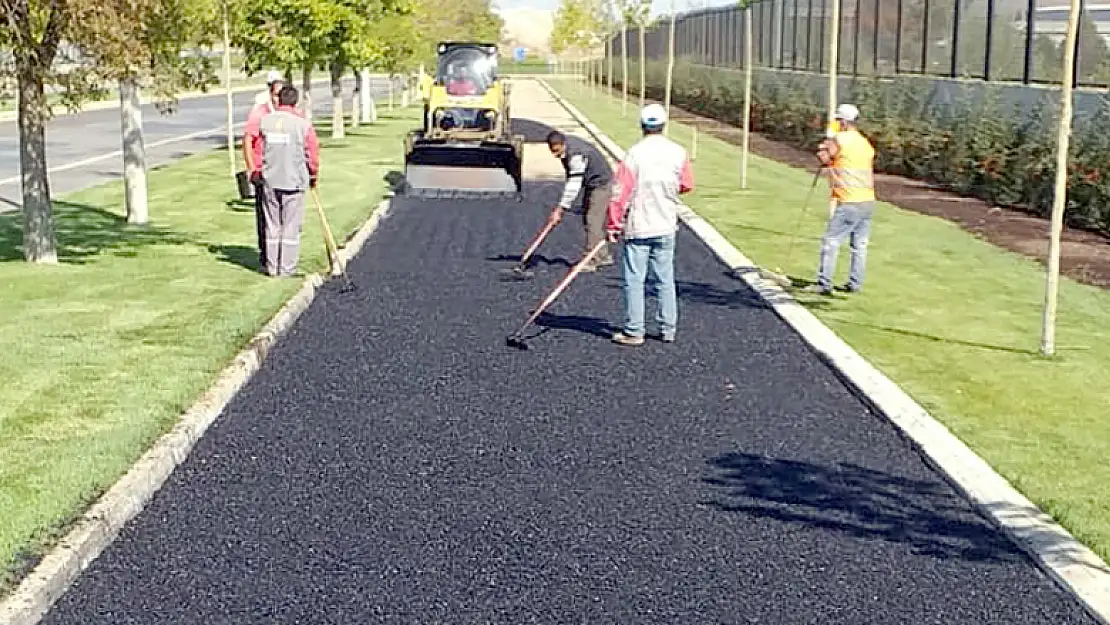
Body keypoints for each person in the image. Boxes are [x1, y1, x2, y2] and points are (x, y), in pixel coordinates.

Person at [605, 103, 694, 346]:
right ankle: (668, 329)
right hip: (666, 225)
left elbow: (620, 193)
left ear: (642, 125)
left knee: (635, 279)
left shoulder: (634, 154)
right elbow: (687, 184)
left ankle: (634, 330)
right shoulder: (679, 152)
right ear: (664, 125)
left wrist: (613, 225)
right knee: (665, 278)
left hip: (639, 226)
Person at [247, 85, 320, 277]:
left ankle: (272, 267)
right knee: (290, 226)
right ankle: (286, 269)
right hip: (293, 182)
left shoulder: (266, 122)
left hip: (270, 180)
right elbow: (312, 154)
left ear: (279, 100)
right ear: (295, 102)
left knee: (272, 225)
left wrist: (257, 170)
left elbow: (259, 149)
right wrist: (313, 175)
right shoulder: (302, 125)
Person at [809, 103, 876, 295]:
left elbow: (824, 157)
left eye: (838, 120)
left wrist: (825, 143)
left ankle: (824, 283)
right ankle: (855, 284)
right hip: (867, 199)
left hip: (848, 200)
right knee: (859, 245)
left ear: (843, 122)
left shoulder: (840, 139)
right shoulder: (864, 143)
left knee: (831, 241)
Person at [546, 130, 614, 272]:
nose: (555, 155)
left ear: (563, 144)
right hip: (591, 182)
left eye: (557, 151)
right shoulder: (567, 146)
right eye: (553, 152)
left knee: (592, 220)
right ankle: (603, 254)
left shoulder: (577, 154)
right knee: (588, 218)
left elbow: (574, 184)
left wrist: (561, 208)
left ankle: (591, 260)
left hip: (601, 183)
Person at [243, 70, 285, 269]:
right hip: (263, 171)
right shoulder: (260, 112)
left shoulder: (287, 114)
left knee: (284, 216)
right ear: (270, 93)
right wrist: (251, 168)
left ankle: (282, 256)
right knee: (264, 216)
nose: (279, 99)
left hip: (283, 171)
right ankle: (265, 256)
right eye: (276, 94)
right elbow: (248, 140)